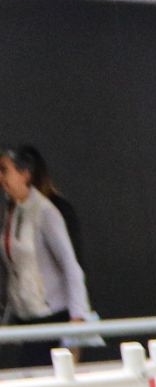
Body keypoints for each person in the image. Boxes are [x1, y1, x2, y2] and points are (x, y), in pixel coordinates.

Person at [1, 146, 91, 371]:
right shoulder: (11, 211)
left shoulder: (46, 212)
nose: (0, 178)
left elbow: (72, 266)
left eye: (4, 170)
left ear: (25, 174)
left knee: (39, 382)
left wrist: (77, 320)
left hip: (50, 317)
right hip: (24, 317)